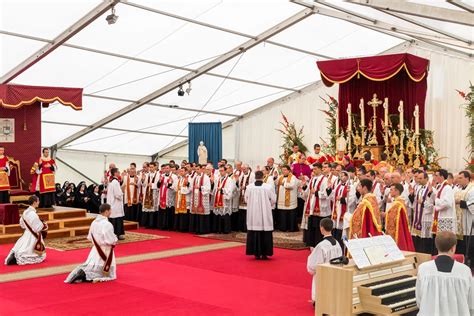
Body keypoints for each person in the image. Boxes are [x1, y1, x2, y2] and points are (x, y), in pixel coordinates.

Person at [416, 231, 473, 316]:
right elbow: (471, 303)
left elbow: (419, 301)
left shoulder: (423, 269)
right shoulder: (464, 271)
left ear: (436, 246)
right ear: (453, 248)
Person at [65, 203, 118, 283]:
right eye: (110, 210)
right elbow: (110, 240)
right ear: (106, 211)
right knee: (106, 273)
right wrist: (115, 239)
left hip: (96, 249)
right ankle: (85, 275)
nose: (111, 212)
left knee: (92, 264)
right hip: (105, 250)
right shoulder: (107, 224)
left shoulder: (94, 222)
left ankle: (83, 272)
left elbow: (90, 237)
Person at [307, 218, 343, 304]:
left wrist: (311, 256)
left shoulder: (321, 246)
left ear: (321, 228)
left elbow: (313, 266)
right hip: (335, 274)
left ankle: (318, 301)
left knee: (318, 276)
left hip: (323, 275)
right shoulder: (337, 243)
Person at [5, 196, 47, 265]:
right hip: (32, 235)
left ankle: (15, 255)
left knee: (23, 246)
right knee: (32, 253)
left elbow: (21, 223)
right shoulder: (33, 214)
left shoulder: (25, 212)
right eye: (38, 201)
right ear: (34, 202)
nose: (39, 202)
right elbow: (37, 228)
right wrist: (44, 225)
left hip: (27, 233)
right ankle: (17, 258)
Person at [245, 170, 276, 260]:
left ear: (255, 177)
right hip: (265, 214)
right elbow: (273, 199)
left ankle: (255, 253)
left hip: (253, 214)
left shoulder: (249, 187)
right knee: (265, 231)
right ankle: (265, 253)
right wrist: (267, 204)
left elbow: (246, 199)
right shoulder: (268, 187)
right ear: (263, 177)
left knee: (254, 231)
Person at [301, 163, 329, 247]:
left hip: (320, 209)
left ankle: (319, 245)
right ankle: (312, 245)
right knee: (312, 229)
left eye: (316, 169)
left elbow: (327, 194)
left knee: (318, 230)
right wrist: (305, 186)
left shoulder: (325, 180)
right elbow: (308, 192)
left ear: (321, 169)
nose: (314, 170)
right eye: (313, 169)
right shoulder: (313, 179)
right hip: (312, 208)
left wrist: (316, 192)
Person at [410, 171, 435, 254]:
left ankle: (426, 255)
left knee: (425, 238)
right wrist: (411, 196)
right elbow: (414, 203)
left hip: (426, 217)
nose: (418, 180)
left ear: (426, 179)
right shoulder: (419, 188)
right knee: (417, 238)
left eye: (421, 178)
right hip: (418, 217)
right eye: (418, 178)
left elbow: (433, 205)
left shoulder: (432, 190)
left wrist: (423, 203)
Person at [384, 183, 415, 251]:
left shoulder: (398, 203)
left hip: (396, 230)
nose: (390, 191)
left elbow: (393, 216)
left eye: (392, 190)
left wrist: (385, 214)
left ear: (397, 191)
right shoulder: (397, 202)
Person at [454, 170, 474, 262]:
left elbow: (472, 205)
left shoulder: (472, 189)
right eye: (458, 178)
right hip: (460, 224)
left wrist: (459, 202)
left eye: (460, 178)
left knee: (469, 246)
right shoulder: (459, 189)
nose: (458, 180)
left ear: (467, 178)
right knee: (461, 246)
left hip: (468, 222)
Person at [432, 169, 456, 235]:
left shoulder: (447, 187)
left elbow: (447, 203)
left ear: (442, 177)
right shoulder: (441, 186)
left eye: (436, 175)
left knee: (445, 239)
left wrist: (436, 202)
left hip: (445, 217)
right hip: (440, 217)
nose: (435, 177)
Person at [189, 164, 212, 234]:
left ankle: (203, 230)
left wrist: (200, 187)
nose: (196, 170)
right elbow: (191, 187)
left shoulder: (206, 177)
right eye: (196, 169)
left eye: (198, 169)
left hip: (202, 198)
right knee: (197, 214)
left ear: (202, 169)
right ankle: (197, 229)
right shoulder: (195, 177)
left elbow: (208, 188)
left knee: (202, 215)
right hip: (196, 198)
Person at [212, 165, 235, 234]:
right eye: (219, 171)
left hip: (225, 199)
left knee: (225, 214)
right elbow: (215, 189)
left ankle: (225, 230)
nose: (220, 172)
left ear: (225, 171)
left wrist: (222, 189)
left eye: (222, 171)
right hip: (218, 198)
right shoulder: (218, 179)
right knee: (218, 213)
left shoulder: (229, 180)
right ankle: (218, 229)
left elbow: (230, 190)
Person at [276, 165, 298, 232]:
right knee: (282, 214)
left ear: (289, 170)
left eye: (285, 170)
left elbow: (292, 186)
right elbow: (276, 183)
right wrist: (274, 177)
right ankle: (283, 227)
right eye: (282, 170)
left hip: (290, 199)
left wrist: (284, 183)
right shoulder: (280, 177)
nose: (283, 171)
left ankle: (291, 228)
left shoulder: (293, 177)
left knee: (290, 214)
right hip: (281, 199)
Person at [107, 168, 125, 240]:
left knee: (113, 218)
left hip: (112, 204)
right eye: (118, 172)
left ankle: (113, 234)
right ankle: (117, 234)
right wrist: (122, 191)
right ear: (115, 173)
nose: (119, 173)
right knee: (117, 219)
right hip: (116, 204)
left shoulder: (112, 182)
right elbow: (117, 195)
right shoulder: (115, 182)